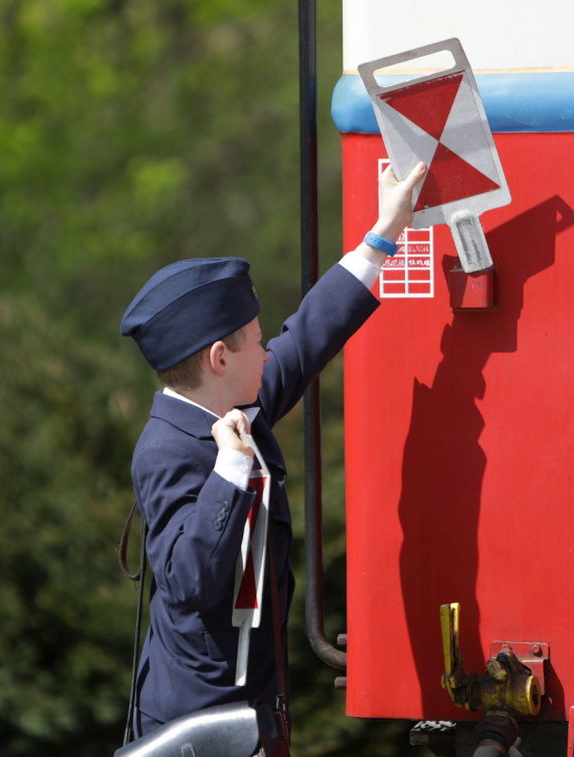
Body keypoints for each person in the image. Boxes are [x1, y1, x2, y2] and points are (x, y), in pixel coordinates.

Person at [119, 161, 427, 741]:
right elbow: (189, 582)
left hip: (255, 710)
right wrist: (230, 470)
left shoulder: (236, 397)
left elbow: (309, 335)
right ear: (219, 359)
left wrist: (384, 234)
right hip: (199, 728)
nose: (268, 352)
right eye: (257, 341)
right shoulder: (165, 449)